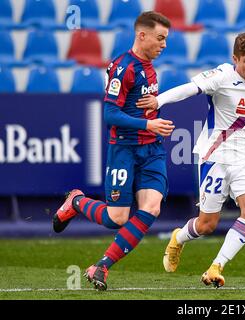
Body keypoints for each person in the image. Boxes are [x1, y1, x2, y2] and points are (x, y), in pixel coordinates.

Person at [139, 32, 245, 287]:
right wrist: (158, 100)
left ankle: (216, 267)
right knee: (206, 225)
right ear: (235, 58)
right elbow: (189, 89)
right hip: (214, 157)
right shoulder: (221, 76)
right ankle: (178, 239)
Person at [52, 11, 175, 291]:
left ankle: (102, 265)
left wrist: (154, 111)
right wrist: (148, 122)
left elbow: (141, 103)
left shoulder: (150, 66)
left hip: (152, 150)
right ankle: (77, 202)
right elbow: (109, 113)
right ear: (141, 35)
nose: (164, 44)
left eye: (166, 39)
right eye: (160, 38)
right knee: (115, 219)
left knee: (151, 208)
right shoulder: (123, 67)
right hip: (124, 149)